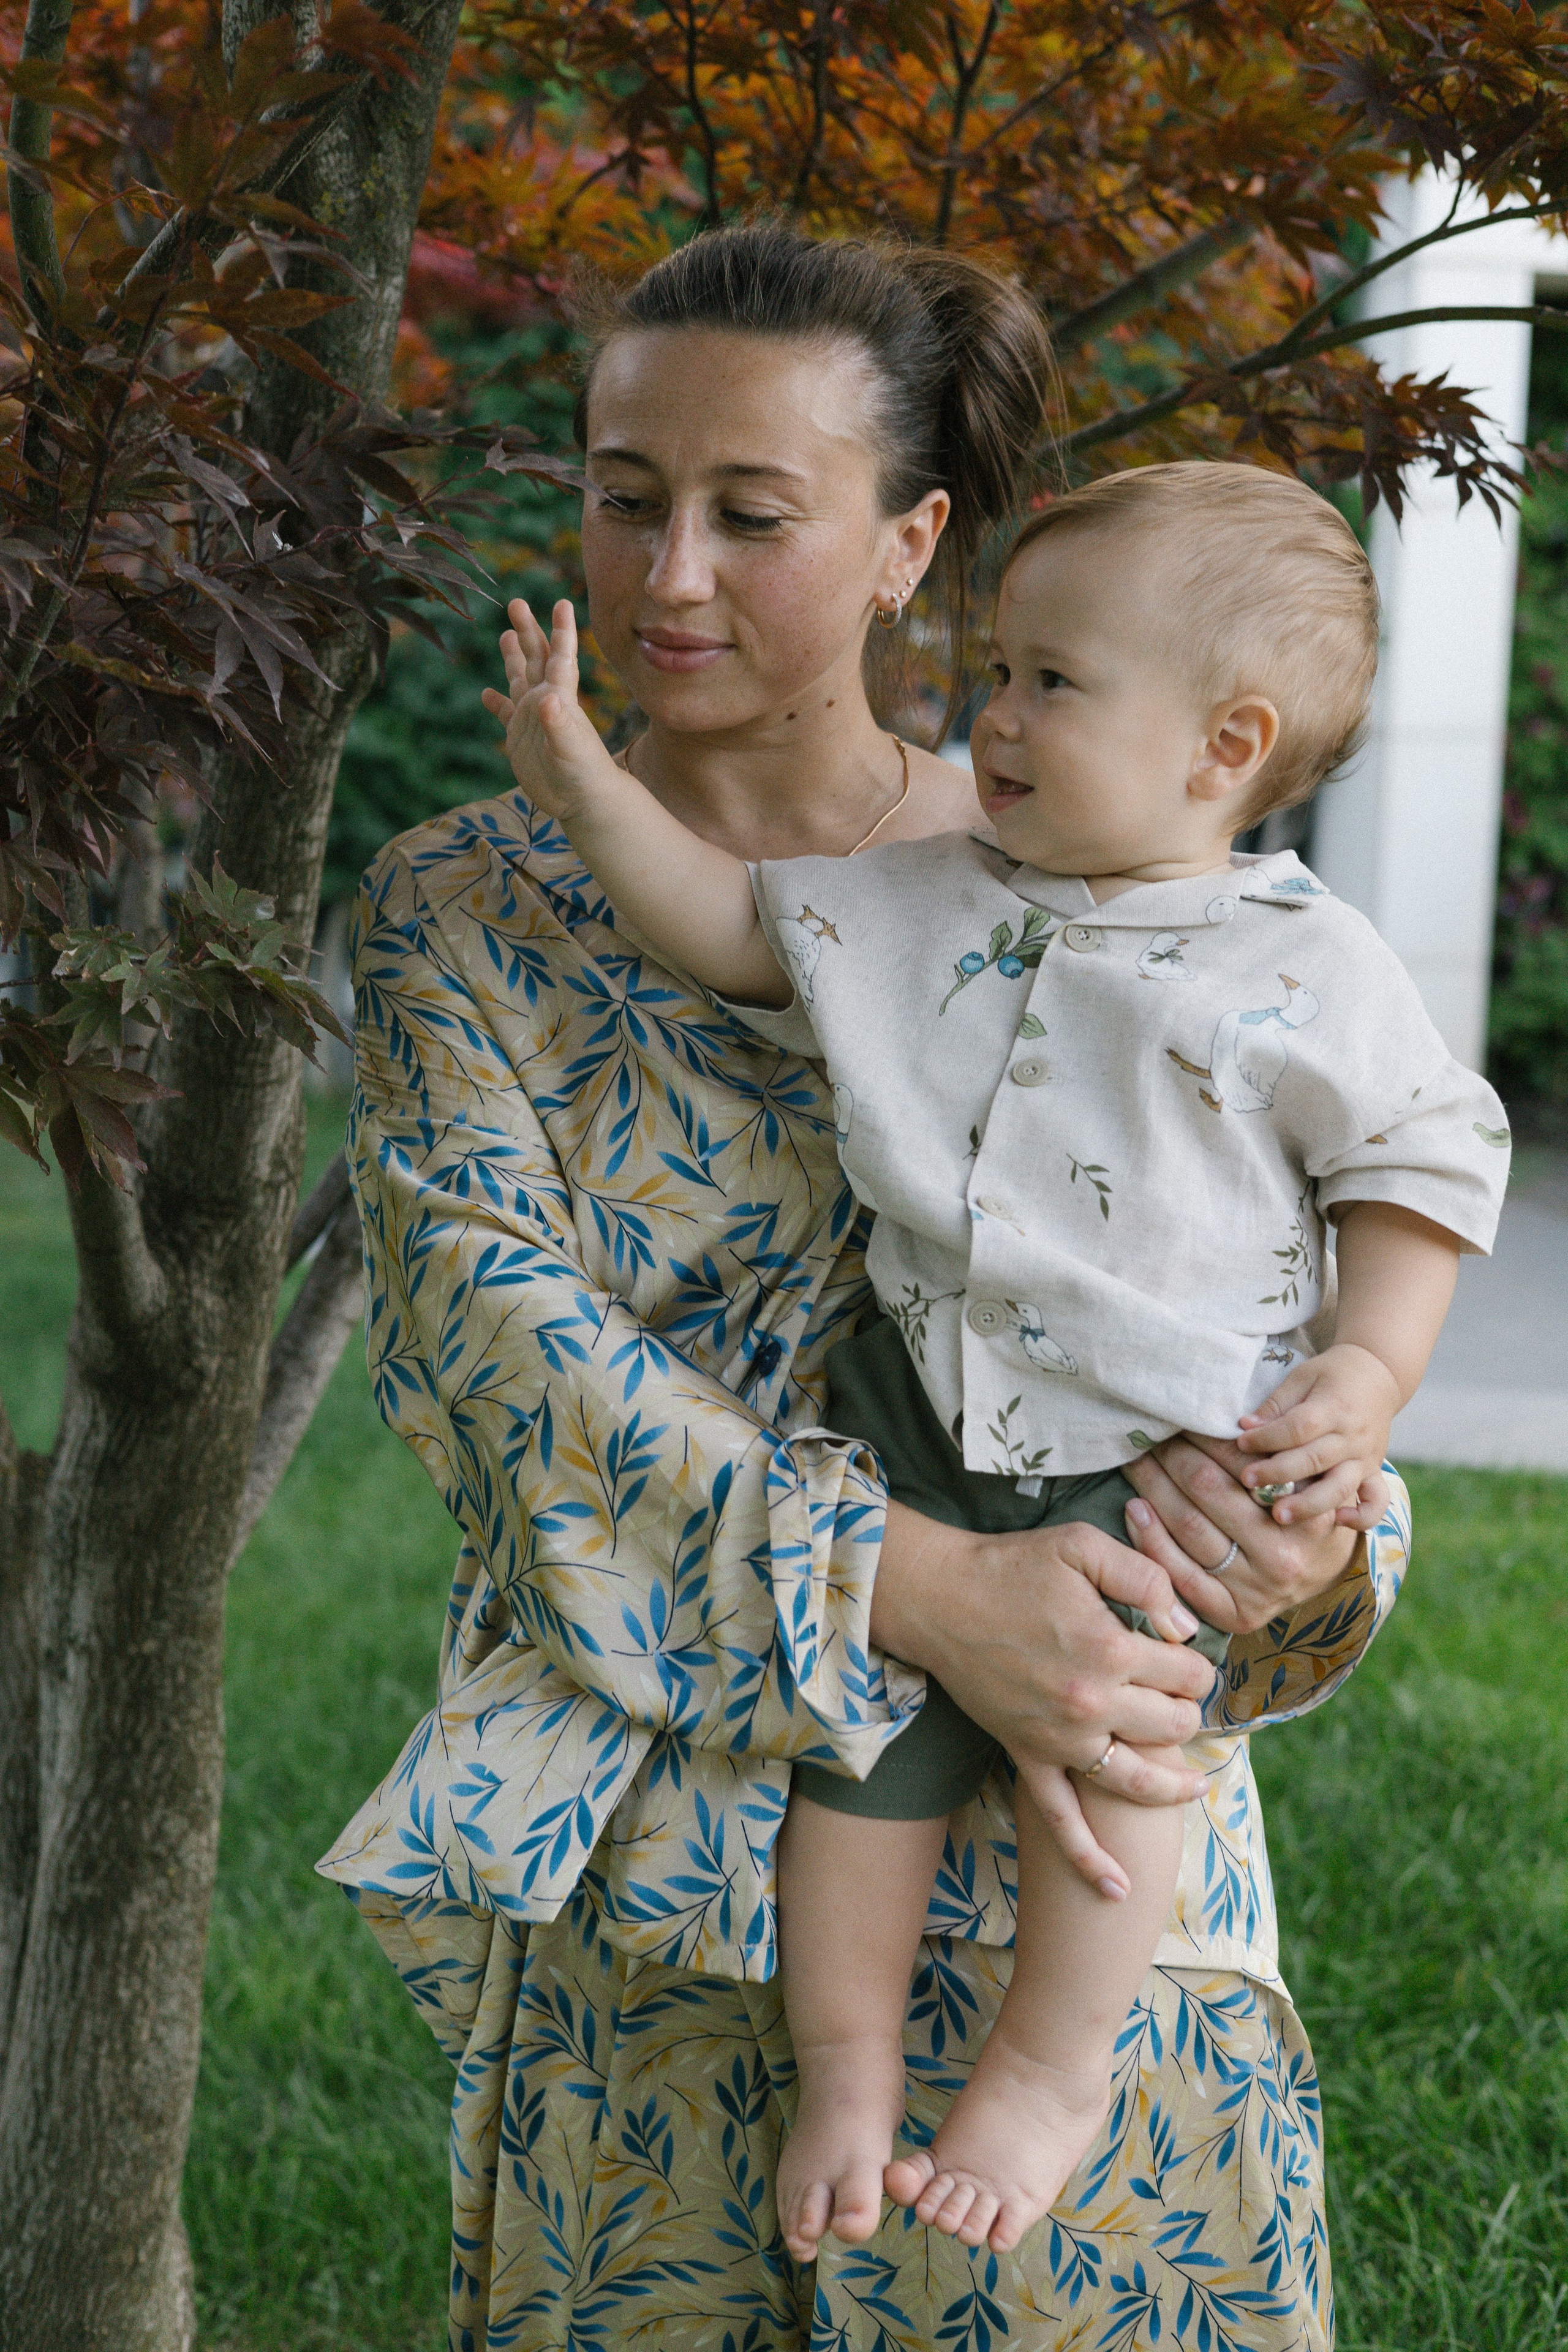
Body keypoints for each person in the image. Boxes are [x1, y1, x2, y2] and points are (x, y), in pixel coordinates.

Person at [320, 225, 1414, 2352]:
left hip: (1091, 1818)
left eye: (753, 513)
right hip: (679, 1832)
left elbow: (1303, 1272)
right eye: (625, 496)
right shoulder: (468, 907)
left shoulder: (1128, 886)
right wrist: (910, 1583)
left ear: (915, 543)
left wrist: (1298, 1525)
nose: (670, 577)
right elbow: (503, 1368)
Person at [484, 458, 1508, 2263]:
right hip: (913, 1419)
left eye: (1052, 682)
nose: (995, 714)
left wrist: (1370, 1375)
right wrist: (579, 783)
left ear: (1223, 743)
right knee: (853, 1766)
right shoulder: (929, 891)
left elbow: (1420, 1169)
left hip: (1151, 1457)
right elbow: (731, 926)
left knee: (1127, 1772)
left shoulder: (1312, 965)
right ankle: (849, 2067)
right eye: (1002, 669)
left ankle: (1051, 2070)